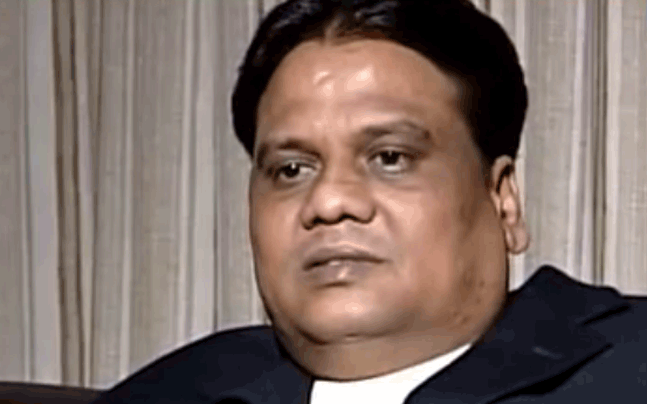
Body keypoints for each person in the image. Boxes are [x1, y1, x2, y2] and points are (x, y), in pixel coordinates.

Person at [92, 1, 647, 403]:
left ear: (504, 201)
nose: (329, 201)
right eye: (291, 170)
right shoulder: (174, 390)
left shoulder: (629, 365)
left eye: (390, 158)